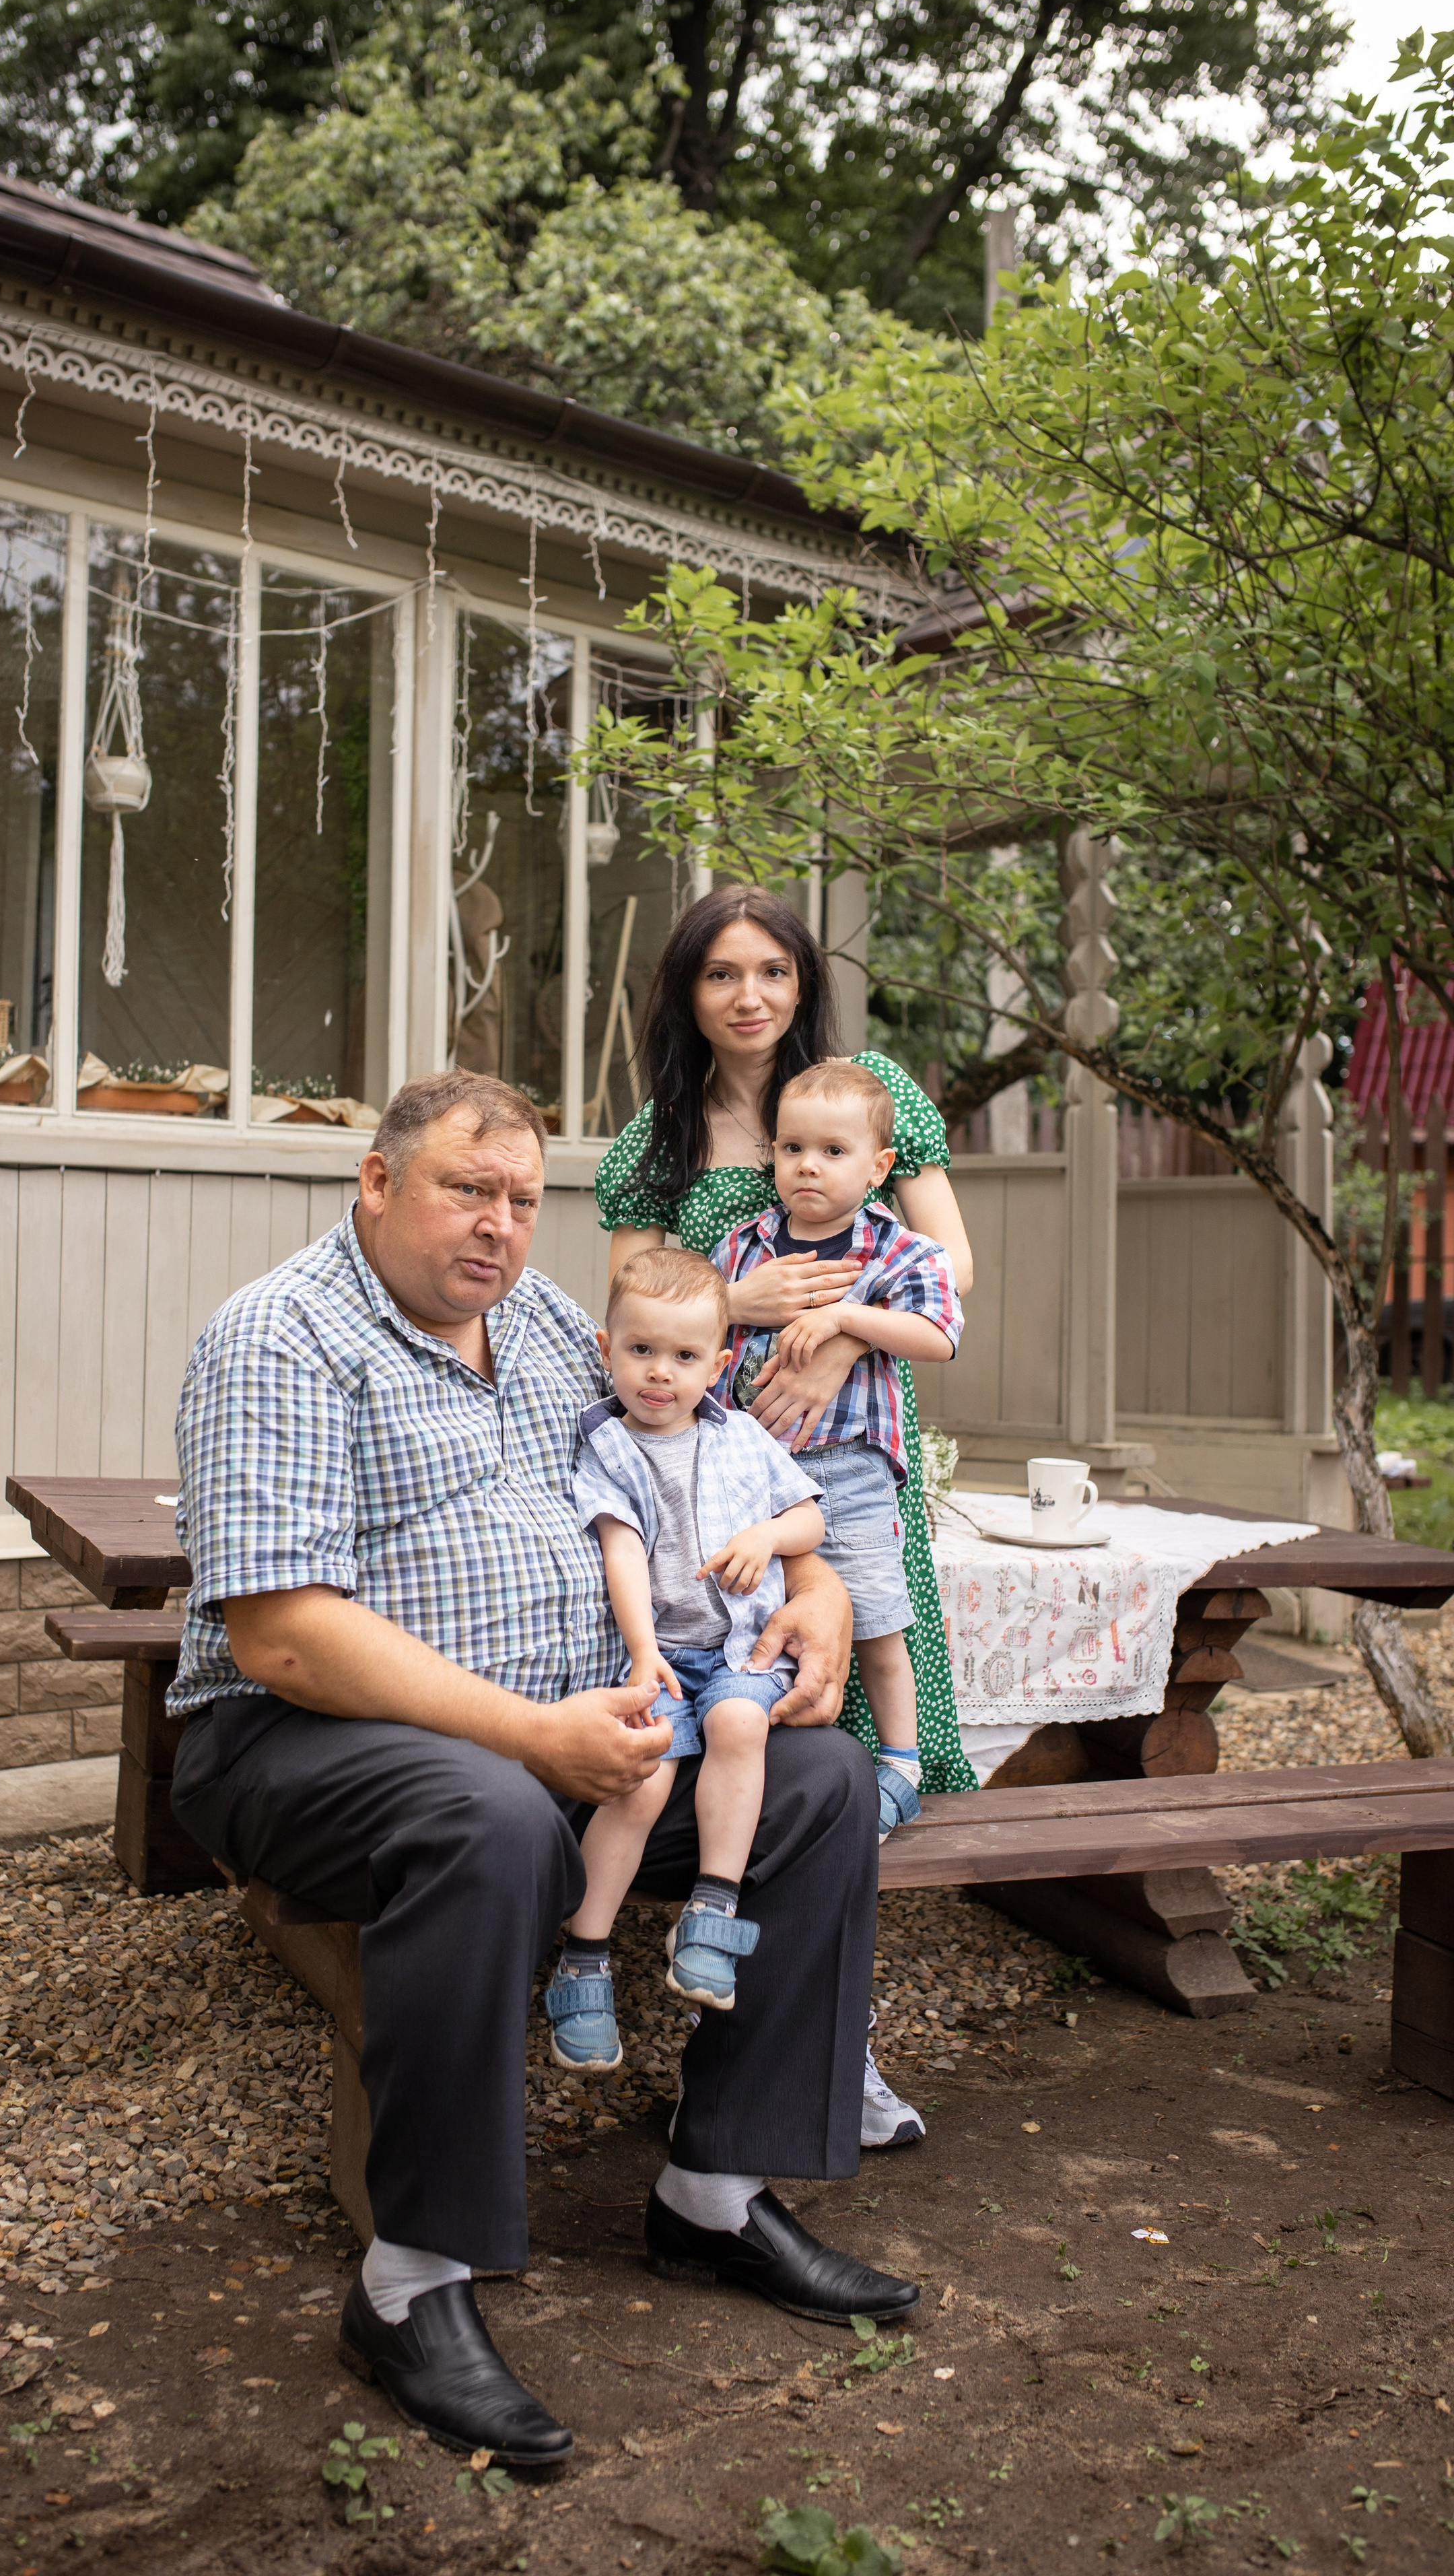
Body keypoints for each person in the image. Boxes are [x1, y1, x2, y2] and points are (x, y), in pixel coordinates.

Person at [168, 1069, 920, 2471]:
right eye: (467, 1188)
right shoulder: (279, 1336)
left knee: (814, 1785)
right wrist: (529, 1736)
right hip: (298, 1743)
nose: (500, 1226)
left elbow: (718, 1456)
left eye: (521, 1200)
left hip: (569, 1726)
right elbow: (278, 1638)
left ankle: (711, 2189)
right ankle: (411, 2281)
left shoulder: (551, 1328)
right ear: (375, 1184)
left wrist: (813, 1592)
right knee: (492, 1815)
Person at [594, 884, 979, 2150]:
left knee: (849, 1754)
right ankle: (721, 2017)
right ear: (687, 992)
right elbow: (646, 1307)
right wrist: (749, 1313)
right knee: (739, 1742)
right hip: (717, 1499)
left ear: (804, 981)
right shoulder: (658, 1137)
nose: (748, 996)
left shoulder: (869, 1093)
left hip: (851, 1473)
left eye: (772, 971)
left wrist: (836, 1334)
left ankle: (827, 2054)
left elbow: (951, 1272)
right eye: (719, 974)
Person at [544, 1246, 825, 2072]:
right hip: (659, 1652)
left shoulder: (741, 1437)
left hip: (738, 1643)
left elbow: (809, 1519)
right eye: (640, 1351)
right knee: (645, 1773)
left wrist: (767, 1535)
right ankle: (583, 1956)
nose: (659, 1374)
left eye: (684, 1356)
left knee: (741, 1722)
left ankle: (712, 1909)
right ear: (606, 1348)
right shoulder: (607, 1446)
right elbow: (621, 1552)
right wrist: (640, 1654)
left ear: (721, 1363)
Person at [714, 1062, 963, 1839]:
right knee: (758, 1617)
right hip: (751, 1476)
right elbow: (699, 1329)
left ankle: (900, 1764)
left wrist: (852, 1321)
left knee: (877, 1620)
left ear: (877, 1166)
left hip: (847, 1471)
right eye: (792, 1149)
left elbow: (939, 1335)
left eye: (831, 1151)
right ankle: (766, 1765)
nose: (808, 1166)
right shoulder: (744, 1247)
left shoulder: (896, 1251)